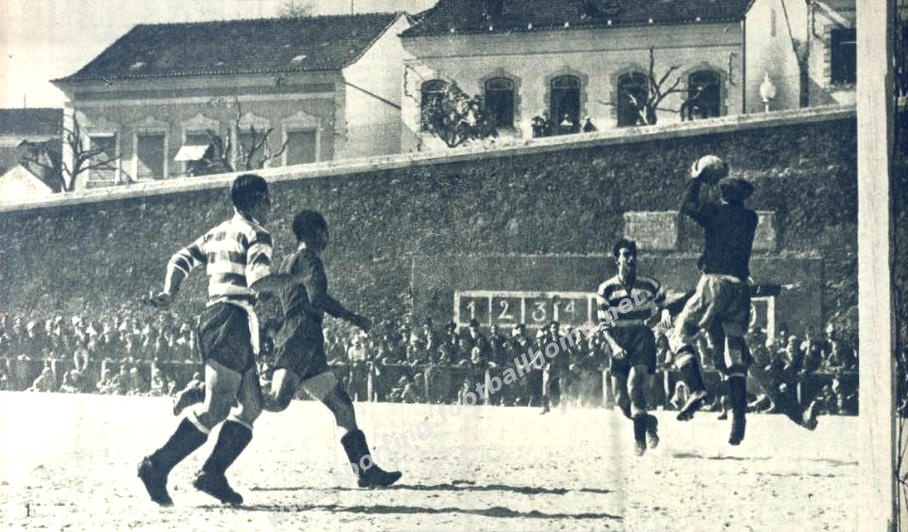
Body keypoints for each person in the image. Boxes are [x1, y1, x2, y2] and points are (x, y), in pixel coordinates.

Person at [174, 210, 401, 488]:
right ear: (317, 232)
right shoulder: (310, 260)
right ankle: (204, 391)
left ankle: (366, 471)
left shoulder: (286, 261)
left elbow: (270, 295)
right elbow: (317, 297)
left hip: (301, 337)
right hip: (302, 337)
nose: (327, 238)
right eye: (324, 232)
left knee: (342, 406)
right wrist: (353, 318)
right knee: (276, 400)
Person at [138, 173, 293, 506]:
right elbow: (258, 280)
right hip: (230, 319)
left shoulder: (217, 232)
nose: (270, 206)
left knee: (251, 406)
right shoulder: (258, 234)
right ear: (255, 201)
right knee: (216, 409)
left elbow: (180, 259)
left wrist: (170, 292)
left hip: (222, 318)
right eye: (267, 200)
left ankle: (212, 473)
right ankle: (157, 465)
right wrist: (295, 279)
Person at [668, 156, 817, 445]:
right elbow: (746, 283)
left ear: (722, 194)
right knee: (738, 360)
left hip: (717, 295)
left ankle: (698, 390)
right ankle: (742, 418)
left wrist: (697, 177)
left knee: (683, 335)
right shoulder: (750, 219)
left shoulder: (715, 219)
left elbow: (688, 206)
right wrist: (776, 288)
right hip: (739, 297)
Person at [595, 238, 661, 456]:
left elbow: (664, 304)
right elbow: (603, 325)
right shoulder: (606, 289)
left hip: (641, 336)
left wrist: (662, 316)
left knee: (634, 386)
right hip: (618, 339)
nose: (630, 259)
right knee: (621, 400)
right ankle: (649, 422)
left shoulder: (649, 285)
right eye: (625, 255)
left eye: (633, 255)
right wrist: (614, 347)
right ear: (618, 260)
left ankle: (639, 441)